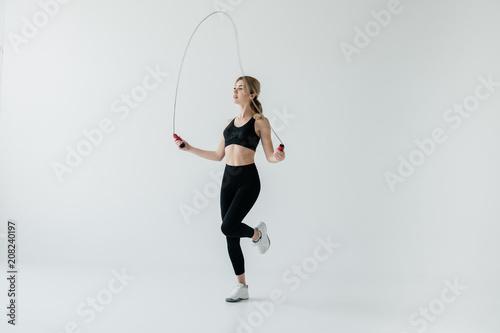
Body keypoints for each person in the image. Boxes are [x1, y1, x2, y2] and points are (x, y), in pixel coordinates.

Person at [174, 76, 285, 302]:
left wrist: (278, 157)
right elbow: (217, 156)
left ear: (252, 94)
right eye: (234, 88)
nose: (234, 91)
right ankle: (242, 286)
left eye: (240, 88)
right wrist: (189, 148)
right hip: (228, 180)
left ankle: (258, 234)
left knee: (228, 227)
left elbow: (270, 156)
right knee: (230, 236)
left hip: (248, 180)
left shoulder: (260, 122)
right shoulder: (228, 123)